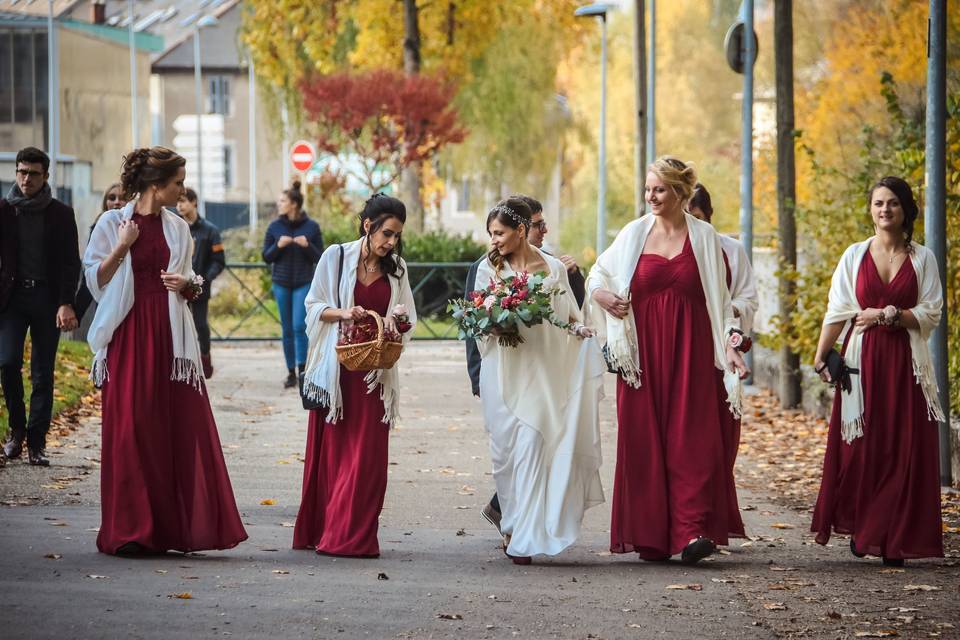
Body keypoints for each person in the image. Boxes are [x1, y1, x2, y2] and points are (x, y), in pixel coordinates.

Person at [83, 146, 247, 555]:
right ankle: (130, 530)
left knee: (167, 430)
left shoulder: (178, 228)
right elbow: (95, 282)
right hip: (128, 332)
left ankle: (168, 530)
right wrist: (122, 246)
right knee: (130, 429)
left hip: (171, 338)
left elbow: (193, 282)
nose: (182, 190)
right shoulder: (112, 222)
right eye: (178, 183)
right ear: (157, 185)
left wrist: (187, 285)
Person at [587, 157, 749, 565]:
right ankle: (652, 536)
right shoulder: (633, 235)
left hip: (693, 355)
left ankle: (693, 530)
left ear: (680, 192)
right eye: (648, 190)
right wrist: (603, 297)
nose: (651, 197)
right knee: (644, 443)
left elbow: (720, 301)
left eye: (659, 190)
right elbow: (597, 276)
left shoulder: (705, 237)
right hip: (643, 360)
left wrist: (729, 345)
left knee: (692, 442)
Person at [810, 176, 944, 566]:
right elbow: (837, 311)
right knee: (863, 450)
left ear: (906, 211)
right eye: (878, 204)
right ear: (870, 210)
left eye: (893, 204)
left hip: (907, 365)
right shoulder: (854, 255)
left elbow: (931, 312)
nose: (885, 210)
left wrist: (888, 315)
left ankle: (890, 538)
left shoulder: (923, 258)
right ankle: (865, 527)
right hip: (861, 364)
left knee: (901, 449)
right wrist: (821, 357)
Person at [474, 196, 605, 565]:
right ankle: (509, 522)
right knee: (505, 454)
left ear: (520, 231)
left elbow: (567, 315)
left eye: (499, 233)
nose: (494, 240)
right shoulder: (490, 269)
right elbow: (479, 316)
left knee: (533, 443)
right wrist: (493, 321)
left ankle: (524, 535)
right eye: (490, 234)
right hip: (501, 369)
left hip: (542, 370)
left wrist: (581, 329)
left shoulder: (553, 269)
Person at [294, 194, 417, 558]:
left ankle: (355, 537)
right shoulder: (336, 256)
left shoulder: (398, 268)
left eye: (397, 236)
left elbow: (407, 316)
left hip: (374, 374)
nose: (392, 243)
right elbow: (313, 305)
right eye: (387, 234)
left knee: (368, 461)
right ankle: (328, 531)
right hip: (339, 372)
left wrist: (399, 324)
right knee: (334, 456)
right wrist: (345, 313)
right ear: (368, 226)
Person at [0, 147, 81, 467]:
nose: (26, 178)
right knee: (7, 363)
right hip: (11, 300)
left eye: (33, 173)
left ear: (45, 176)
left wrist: (66, 302)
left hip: (47, 300)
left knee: (42, 372)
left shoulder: (61, 213)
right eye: (21, 171)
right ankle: (16, 430)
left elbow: (69, 263)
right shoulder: (4, 210)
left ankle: (37, 441)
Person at [689, 183, 758, 538]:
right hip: (682, 352)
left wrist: (726, 310)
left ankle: (711, 516)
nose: (691, 224)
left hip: (719, 355)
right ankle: (692, 522)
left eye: (696, 217)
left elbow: (748, 298)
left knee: (719, 439)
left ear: (709, 217)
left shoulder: (730, 250)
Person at [262, 181, 324, 388]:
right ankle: (290, 372)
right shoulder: (275, 226)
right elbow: (266, 257)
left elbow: (320, 257)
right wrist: (278, 246)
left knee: (299, 326)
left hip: (303, 282)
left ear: (294, 204)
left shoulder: (312, 227)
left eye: (282, 201)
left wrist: (308, 246)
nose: (279, 204)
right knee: (286, 328)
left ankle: (302, 370)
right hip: (281, 283)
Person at [177, 187, 225, 378]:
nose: (179, 206)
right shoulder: (176, 227)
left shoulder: (210, 230)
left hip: (200, 288)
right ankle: (182, 363)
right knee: (178, 325)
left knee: (200, 325)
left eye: (184, 201)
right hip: (177, 287)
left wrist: (205, 279)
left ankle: (205, 357)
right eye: (178, 202)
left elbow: (219, 260)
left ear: (194, 202)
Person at [75, 183, 127, 324]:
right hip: (105, 297)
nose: (117, 202)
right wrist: (77, 312)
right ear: (105, 202)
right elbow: (91, 273)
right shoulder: (97, 228)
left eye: (122, 198)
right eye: (112, 197)